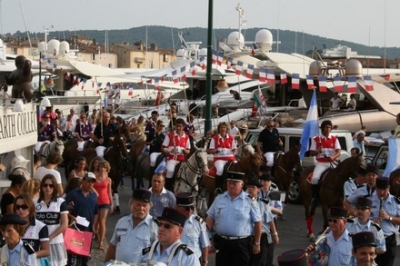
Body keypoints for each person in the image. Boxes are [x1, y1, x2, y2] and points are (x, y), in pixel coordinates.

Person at [206, 171, 262, 266]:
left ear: (242, 185)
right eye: (229, 183)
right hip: (222, 243)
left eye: (235, 183)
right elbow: (210, 217)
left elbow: (258, 223)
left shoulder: (249, 200)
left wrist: (257, 243)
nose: (231, 186)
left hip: (241, 244)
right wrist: (207, 235)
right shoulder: (219, 198)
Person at [104, 189, 158, 264]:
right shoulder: (122, 221)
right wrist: (106, 263)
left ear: (149, 207)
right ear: (131, 204)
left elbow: (158, 252)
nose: (141, 208)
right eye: (138, 205)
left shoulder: (155, 226)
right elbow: (113, 246)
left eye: (144, 206)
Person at [65, 172, 99, 266]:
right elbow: (63, 209)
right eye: (88, 181)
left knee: (85, 256)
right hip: (74, 229)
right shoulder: (73, 194)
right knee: (72, 256)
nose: (90, 184)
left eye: (92, 182)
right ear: (83, 181)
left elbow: (96, 212)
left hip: (87, 230)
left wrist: (94, 226)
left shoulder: (94, 196)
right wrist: (71, 217)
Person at [35, 175, 68, 266]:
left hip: (55, 241)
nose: (48, 188)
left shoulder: (60, 202)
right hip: (38, 242)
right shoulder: (35, 202)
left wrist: (50, 237)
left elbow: (64, 224)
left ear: (55, 187)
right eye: (45, 185)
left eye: (51, 185)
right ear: (41, 187)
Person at [247, 179, 279, 266]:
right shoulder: (243, 202)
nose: (250, 189)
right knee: (248, 260)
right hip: (248, 236)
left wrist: (275, 234)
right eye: (249, 187)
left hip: (262, 235)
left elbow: (270, 220)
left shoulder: (263, 202)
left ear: (258, 189)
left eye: (253, 187)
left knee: (261, 261)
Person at [308, 120, 341, 206]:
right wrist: (318, 150)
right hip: (321, 163)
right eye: (326, 127)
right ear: (322, 128)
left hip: (332, 162)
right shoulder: (316, 139)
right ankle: (315, 198)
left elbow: (338, 152)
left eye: (329, 127)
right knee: (315, 179)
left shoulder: (334, 138)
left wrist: (333, 157)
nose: (328, 129)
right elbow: (311, 152)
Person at [371, 177, 400, 266]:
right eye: (379, 189)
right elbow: (362, 218)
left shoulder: (396, 202)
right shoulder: (370, 200)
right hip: (373, 239)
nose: (381, 192)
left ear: (389, 189)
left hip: (389, 240)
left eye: (384, 189)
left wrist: (389, 217)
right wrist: (372, 222)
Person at [15, 194, 50, 265]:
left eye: (24, 207)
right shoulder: (11, 226)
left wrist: (30, 256)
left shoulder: (41, 226)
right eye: (17, 207)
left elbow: (46, 251)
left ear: (30, 207)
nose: (20, 210)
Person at [175, 193, 210, 264]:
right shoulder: (170, 222)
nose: (190, 211)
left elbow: (205, 245)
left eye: (192, 208)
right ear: (177, 207)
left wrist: (204, 262)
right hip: (175, 260)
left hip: (194, 261)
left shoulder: (198, 222)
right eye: (187, 209)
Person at [161, 118, 190, 190]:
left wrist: (183, 150)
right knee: (170, 170)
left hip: (182, 160)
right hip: (172, 158)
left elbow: (188, 150)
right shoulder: (170, 135)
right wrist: (168, 150)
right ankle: (168, 188)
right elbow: (162, 148)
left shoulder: (186, 137)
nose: (178, 128)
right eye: (177, 126)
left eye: (180, 126)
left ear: (183, 127)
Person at [208, 122, 237, 193]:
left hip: (230, 158)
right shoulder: (214, 138)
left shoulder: (230, 137)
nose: (223, 129)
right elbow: (211, 150)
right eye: (221, 127)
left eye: (224, 127)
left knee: (237, 167)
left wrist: (234, 151)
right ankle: (218, 188)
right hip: (219, 159)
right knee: (220, 170)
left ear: (226, 129)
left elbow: (234, 148)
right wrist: (216, 150)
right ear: (219, 129)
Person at [93, 160, 113, 250]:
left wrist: (112, 203)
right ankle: (97, 236)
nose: (102, 169)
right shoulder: (94, 177)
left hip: (105, 201)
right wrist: (95, 192)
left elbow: (109, 192)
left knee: (102, 221)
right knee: (95, 223)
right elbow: (90, 187)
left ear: (107, 169)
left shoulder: (108, 179)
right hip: (95, 201)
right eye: (101, 167)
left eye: (104, 167)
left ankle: (101, 241)